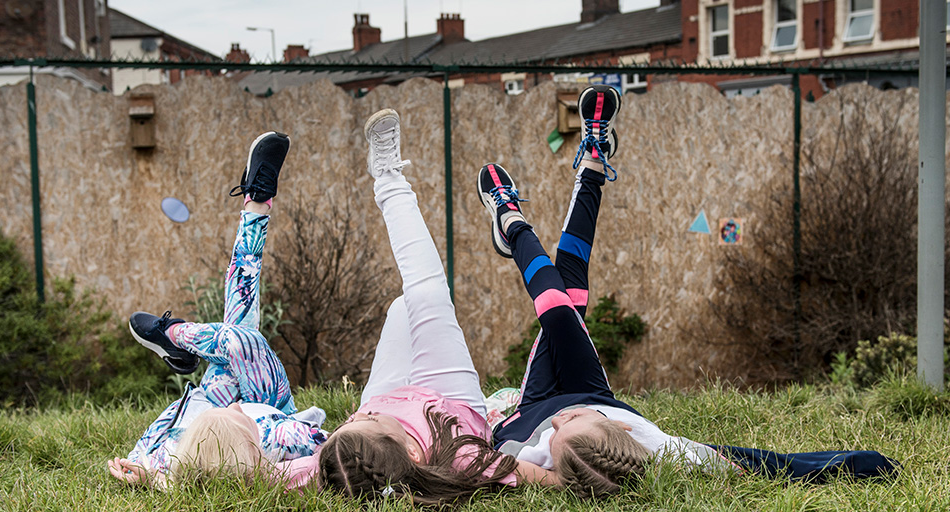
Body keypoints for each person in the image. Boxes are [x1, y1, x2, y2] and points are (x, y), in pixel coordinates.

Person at [476, 85, 900, 498]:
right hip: (593, 390)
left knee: (563, 301)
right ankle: (544, 198)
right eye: (572, 424)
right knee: (562, 304)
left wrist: (554, 479)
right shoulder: (665, 451)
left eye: (556, 435)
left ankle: (524, 213)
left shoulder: (526, 448)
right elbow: (773, 464)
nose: (558, 422)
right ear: (621, 428)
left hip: (530, 406)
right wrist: (860, 464)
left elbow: (476, 464)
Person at [307, 108, 554, 505]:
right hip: (450, 403)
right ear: (411, 453)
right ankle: (387, 176)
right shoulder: (461, 457)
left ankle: (389, 184)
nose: (359, 416)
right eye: (366, 422)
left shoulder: (336, 460)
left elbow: (250, 466)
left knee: (401, 310)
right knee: (425, 295)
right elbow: (530, 474)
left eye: (351, 422)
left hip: (386, 393)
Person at [106, 131, 327, 488]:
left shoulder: (172, 456)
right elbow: (337, 452)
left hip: (209, 399)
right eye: (238, 419)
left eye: (226, 413)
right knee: (241, 339)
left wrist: (143, 474)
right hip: (269, 398)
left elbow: (147, 455)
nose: (236, 406)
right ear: (252, 449)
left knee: (238, 328)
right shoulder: (276, 435)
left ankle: (257, 201)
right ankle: (176, 335)